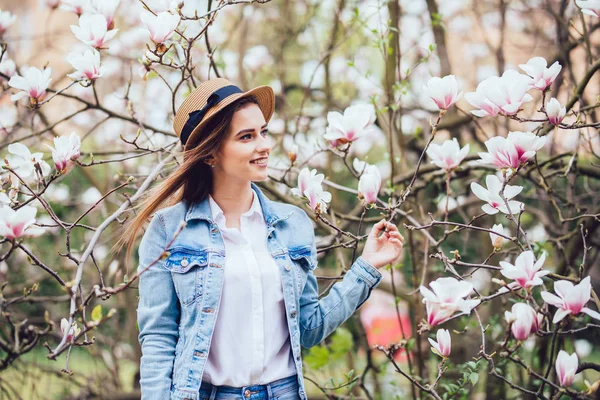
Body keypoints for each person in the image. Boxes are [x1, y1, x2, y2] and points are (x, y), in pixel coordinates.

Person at [121, 78, 404, 400]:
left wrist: (367, 266)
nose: (264, 145)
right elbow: (159, 337)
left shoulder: (292, 223)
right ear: (211, 154)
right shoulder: (168, 229)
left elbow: (309, 329)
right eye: (246, 137)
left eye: (263, 132)